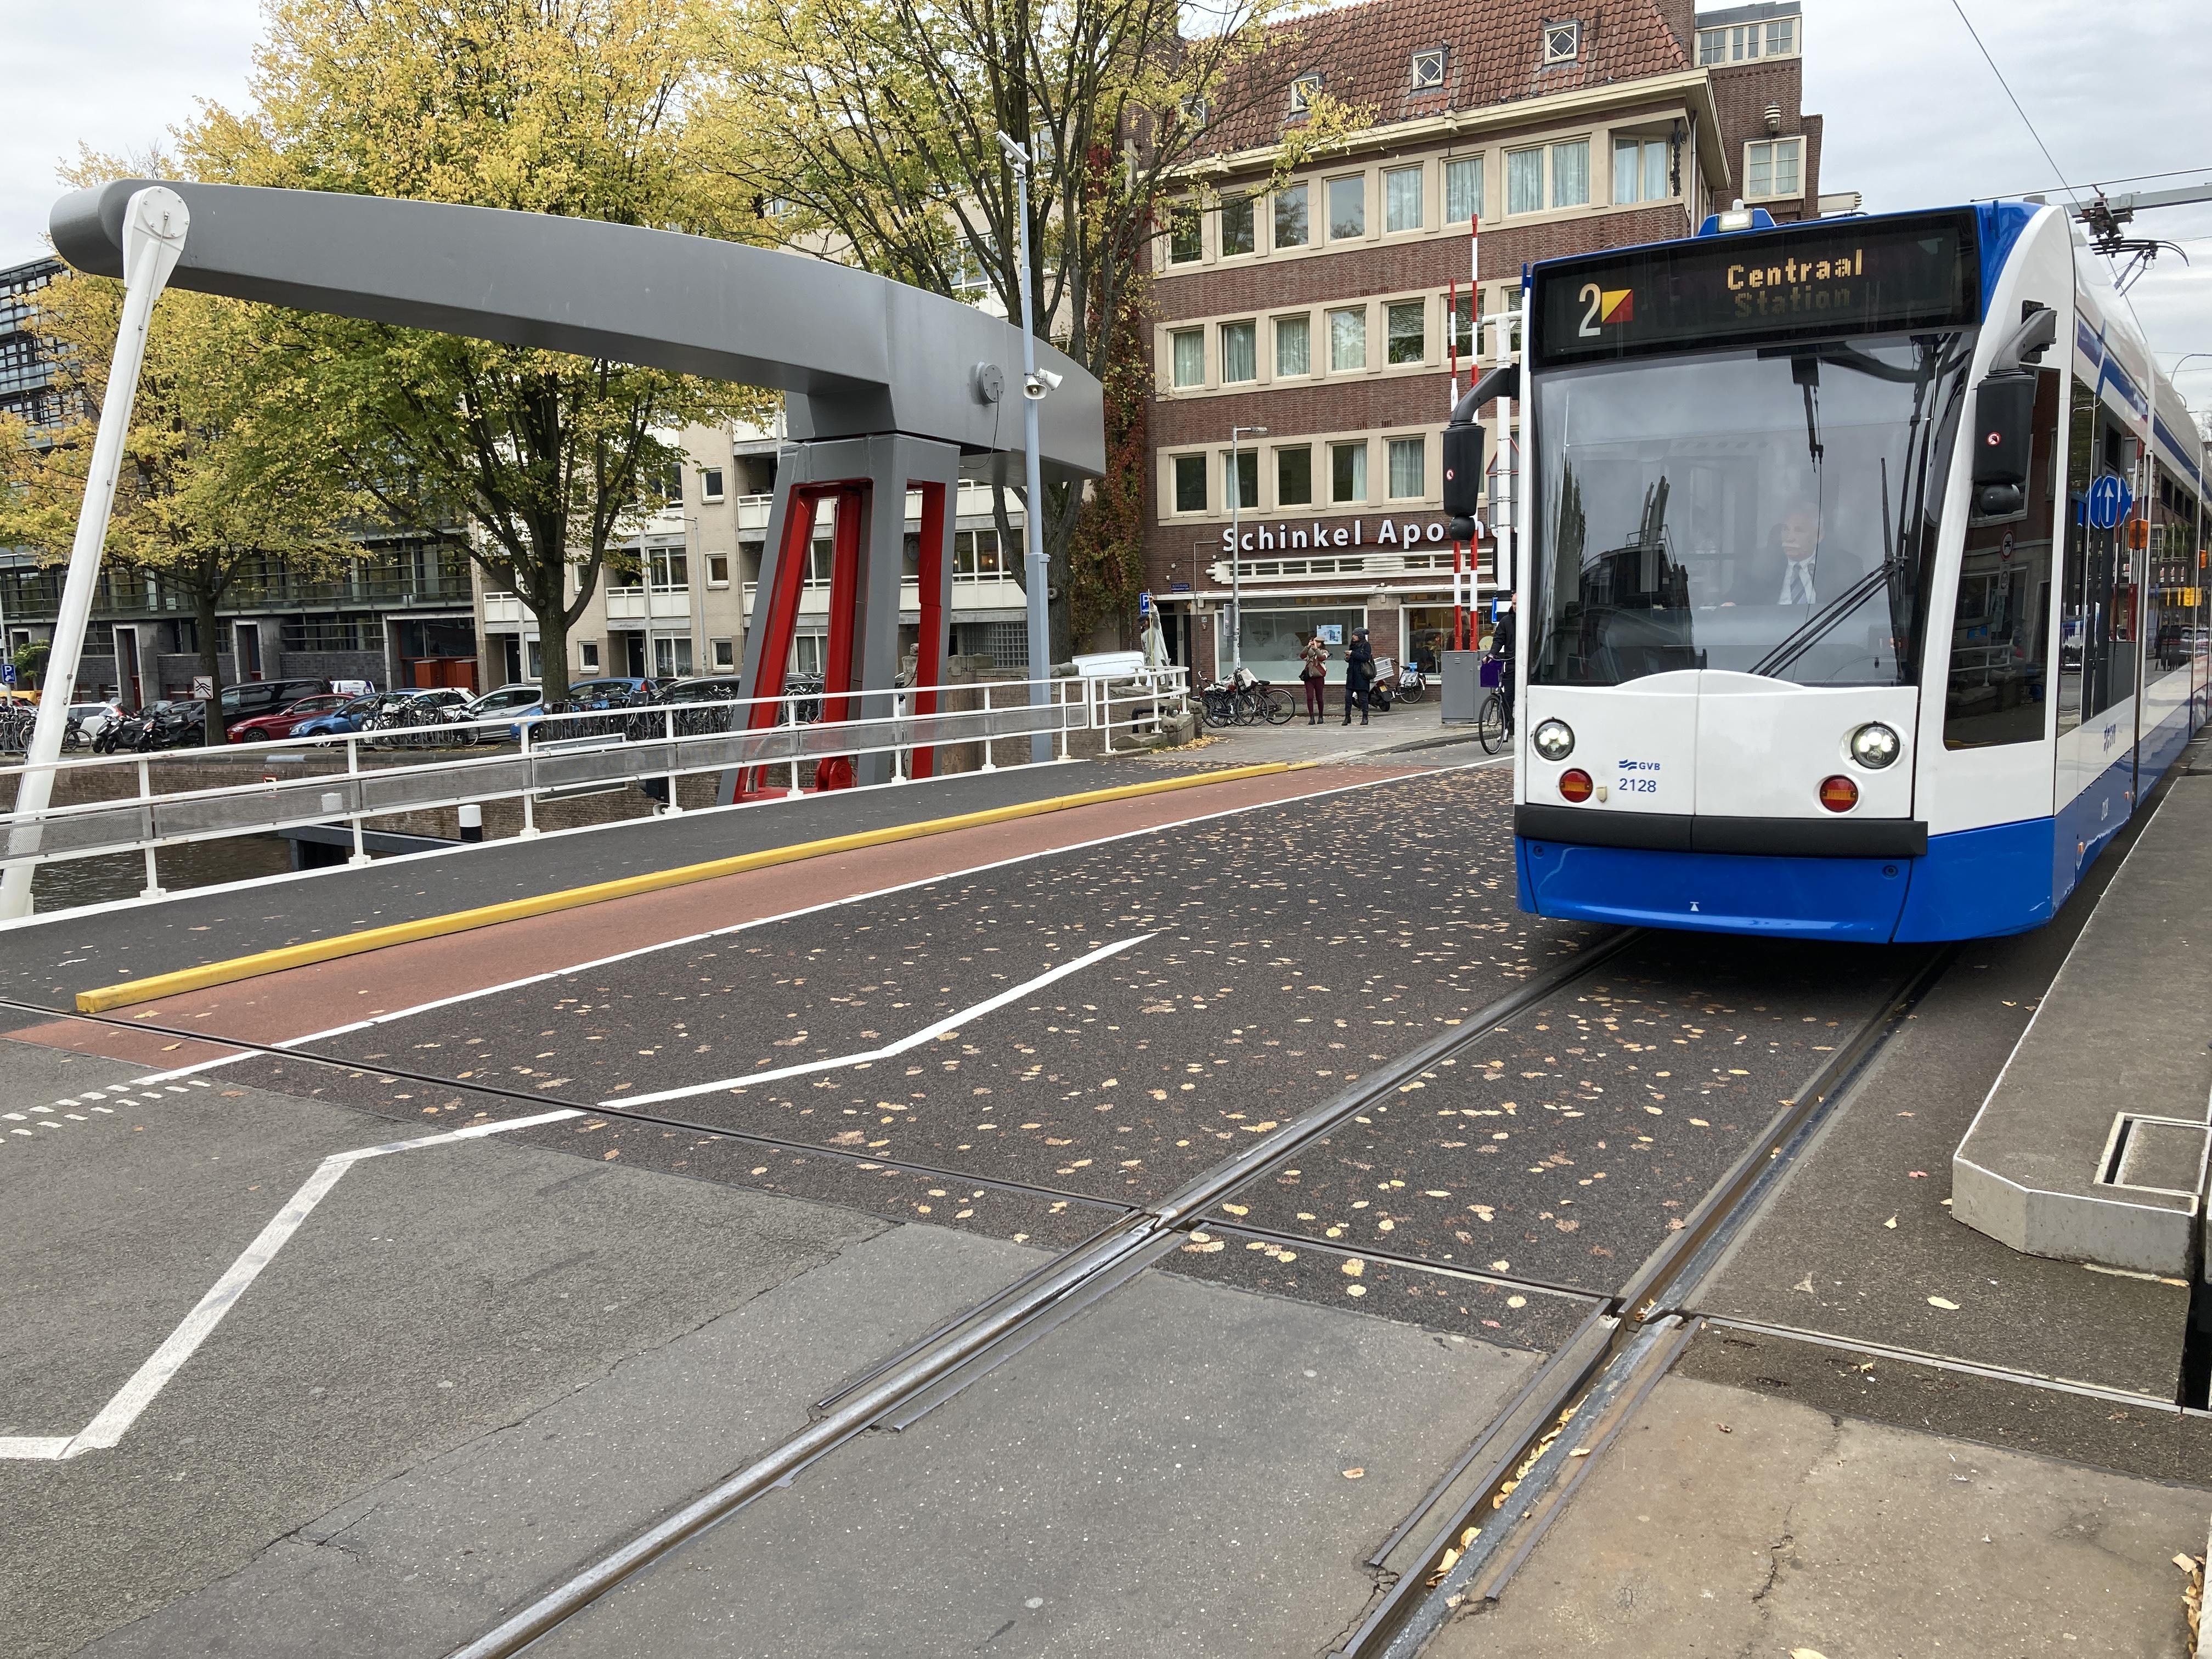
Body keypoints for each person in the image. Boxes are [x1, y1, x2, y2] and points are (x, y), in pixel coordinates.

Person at [1489, 600, 1517, 733]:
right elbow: (1499, 640)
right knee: (1507, 697)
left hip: (1529, 667)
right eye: (1514, 603)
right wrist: (1491, 655)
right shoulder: (1506, 621)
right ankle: (1508, 727)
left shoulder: (1531, 620)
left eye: (1518, 603)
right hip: (1511, 663)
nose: (1515, 606)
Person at [1343, 628, 1374, 725]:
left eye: (1355, 635)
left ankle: (1365, 717)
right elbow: (1351, 659)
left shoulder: (1366, 645)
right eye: (1353, 635)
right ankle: (1347, 717)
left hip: (1361, 676)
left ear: (1360, 636)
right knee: (1348, 698)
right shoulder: (1352, 645)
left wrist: (1353, 654)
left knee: (1363, 699)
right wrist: (1347, 658)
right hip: (1351, 675)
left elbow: (1365, 658)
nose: (1353, 636)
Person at [1299, 631, 1330, 725]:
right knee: (1310, 697)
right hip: (1309, 677)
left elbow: (1321, 658)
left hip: (1319, 677)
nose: (1317, 643)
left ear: (1322, 644)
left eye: (1319, 642)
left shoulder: (1325, 652)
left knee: (1319, 697)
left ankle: (1321, 716)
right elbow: (1302, 656)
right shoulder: (1309, 650)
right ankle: (1312, 717)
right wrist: (1308, 646)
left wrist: (1316, 649)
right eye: (1315, 642)